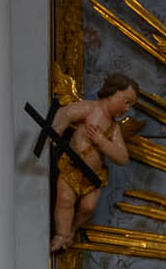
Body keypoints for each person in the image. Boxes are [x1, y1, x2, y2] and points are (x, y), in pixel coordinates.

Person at [49, 75, 138, 252]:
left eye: (131, 105)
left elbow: (123, 157)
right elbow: (66, 113)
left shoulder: (114, 128)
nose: (128, 108)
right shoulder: (90, 108)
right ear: (114, 93)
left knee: (88, 208)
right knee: (65, 199)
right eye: (127, 102)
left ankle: (72, 229)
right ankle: (61, 235)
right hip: (73, 168)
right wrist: (56, 130)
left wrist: (101, 141)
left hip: (93, 177)